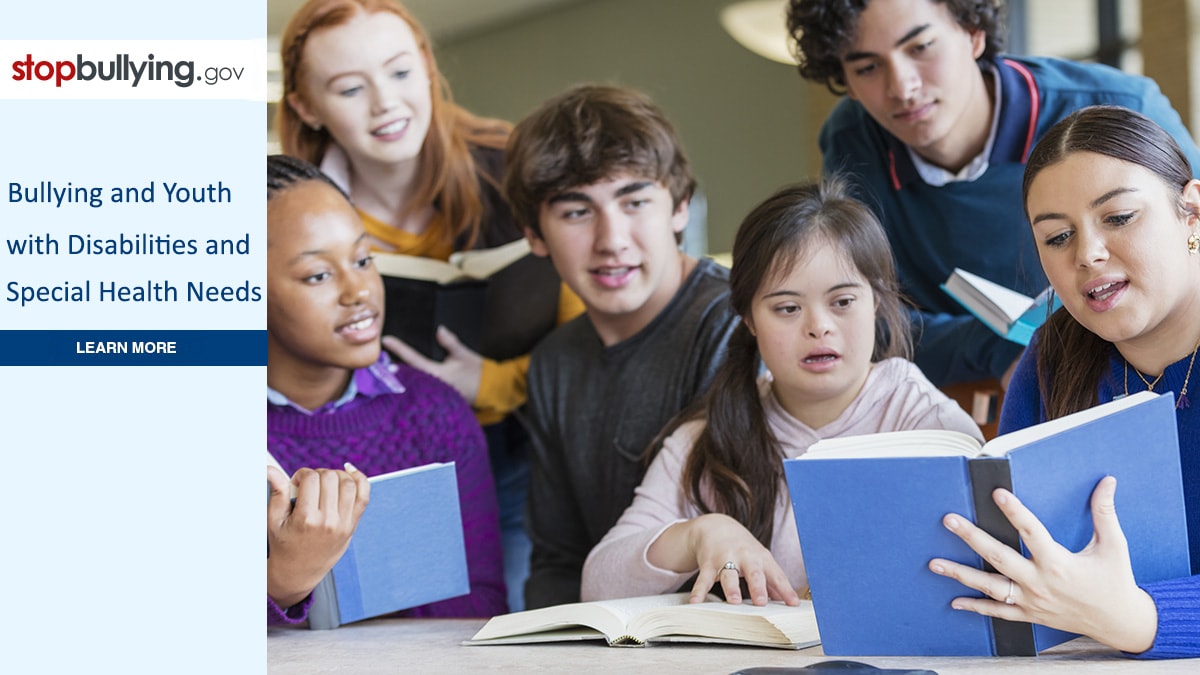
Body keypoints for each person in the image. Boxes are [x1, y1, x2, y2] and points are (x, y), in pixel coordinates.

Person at [278, 0, 583, 611]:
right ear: (308, 106)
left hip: (528, 441)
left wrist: (491, 384)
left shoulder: (517, 170)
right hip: (384, 452)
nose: (385, 103)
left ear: (425, 65)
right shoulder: (291, 212)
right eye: (348, 88)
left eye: (398, 72)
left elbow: (591, 340)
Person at [580, 178, 983, 606]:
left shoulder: (931, 427)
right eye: (787, 308)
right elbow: (598, 585)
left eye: (842, 301)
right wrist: (699, 533)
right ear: (750, 321)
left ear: (878, 302)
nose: (818, 326)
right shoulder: (710, 436)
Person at [785, 0, 1200, 399]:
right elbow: (854, 318)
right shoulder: (852, 143)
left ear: (973, 32)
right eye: (868, 67)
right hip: (967, 402)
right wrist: (994, 347)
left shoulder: (1120, 105)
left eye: (921, 47)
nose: (903, 87)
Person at [928, 106, 1200, 658]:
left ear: (1191, 213)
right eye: (1057, 237)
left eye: (1119, 217)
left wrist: (1138, 619)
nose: (1088, 254)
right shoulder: (1050, 359)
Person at [502, 84, 740, 609]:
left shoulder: (736, 322)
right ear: (534, 235)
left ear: (679, 207)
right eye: (576, 212)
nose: (612, 239)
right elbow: (557, 564)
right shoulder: (554, 363)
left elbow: (742, 554)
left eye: (634, 202)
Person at [265, 154, 505, 624]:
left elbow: (484, 606)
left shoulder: (435, 412)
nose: (359, 292)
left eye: (363, 259)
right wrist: (284, 582)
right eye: (318, 274)